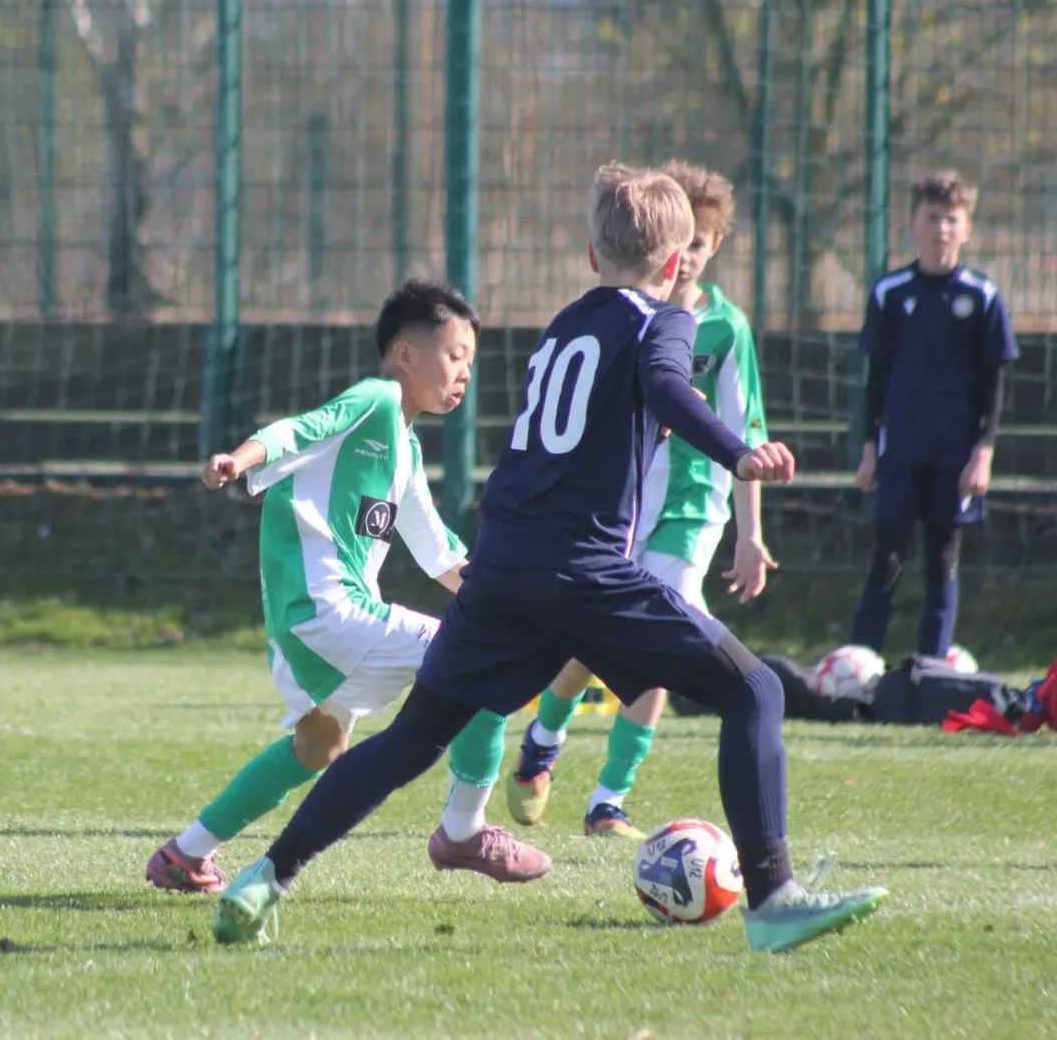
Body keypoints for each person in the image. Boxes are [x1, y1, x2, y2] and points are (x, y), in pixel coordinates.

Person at [212, 163, 888, 954]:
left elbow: (601, 416)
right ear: (677, 263)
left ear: (593, 256)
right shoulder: (665, 319)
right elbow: (666, 384)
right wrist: (736, 452)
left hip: (503, 566)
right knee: (754, 689)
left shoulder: (565, 326)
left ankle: (264, 875)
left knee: (410, 739)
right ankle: (773, 897)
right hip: (584, 570)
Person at [145, 279, 543, 895]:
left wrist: (517, 598)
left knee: (318, 748)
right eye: (455, 354)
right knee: (481, 664)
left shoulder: (405, 448)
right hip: (327, 610)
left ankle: (185, 854)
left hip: (305, 624)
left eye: (470, 359)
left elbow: (440, 556)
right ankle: (463, 831)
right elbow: (298, 428)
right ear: (405, 355)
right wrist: (240, 459)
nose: (465, 372)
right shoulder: (377, 399)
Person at [506, 160, 775, 841]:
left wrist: (750, 533)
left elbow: (744, 432)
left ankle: (608, 799)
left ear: (711, 248)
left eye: (702, 246)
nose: (689, 259)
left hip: (692, 504)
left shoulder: (725, 328)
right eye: (683, 245)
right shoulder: (626, 317)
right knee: (603, 635)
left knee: (661, 629)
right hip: (627, 497)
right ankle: (544, 737)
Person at [849, 170, 1017, 658]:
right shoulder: (890, 292)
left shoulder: (982, 296)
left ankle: (931, 670)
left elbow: (993, 383)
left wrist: (983, 452)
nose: (941, 228)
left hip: (955, 455)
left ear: (967, 228)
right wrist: (868, 449)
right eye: (932, 217)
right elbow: (876, 378)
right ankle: (858, 669)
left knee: (942, 562)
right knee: (887, 558)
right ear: (912, 224)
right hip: (900, 451)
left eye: (951, 219)